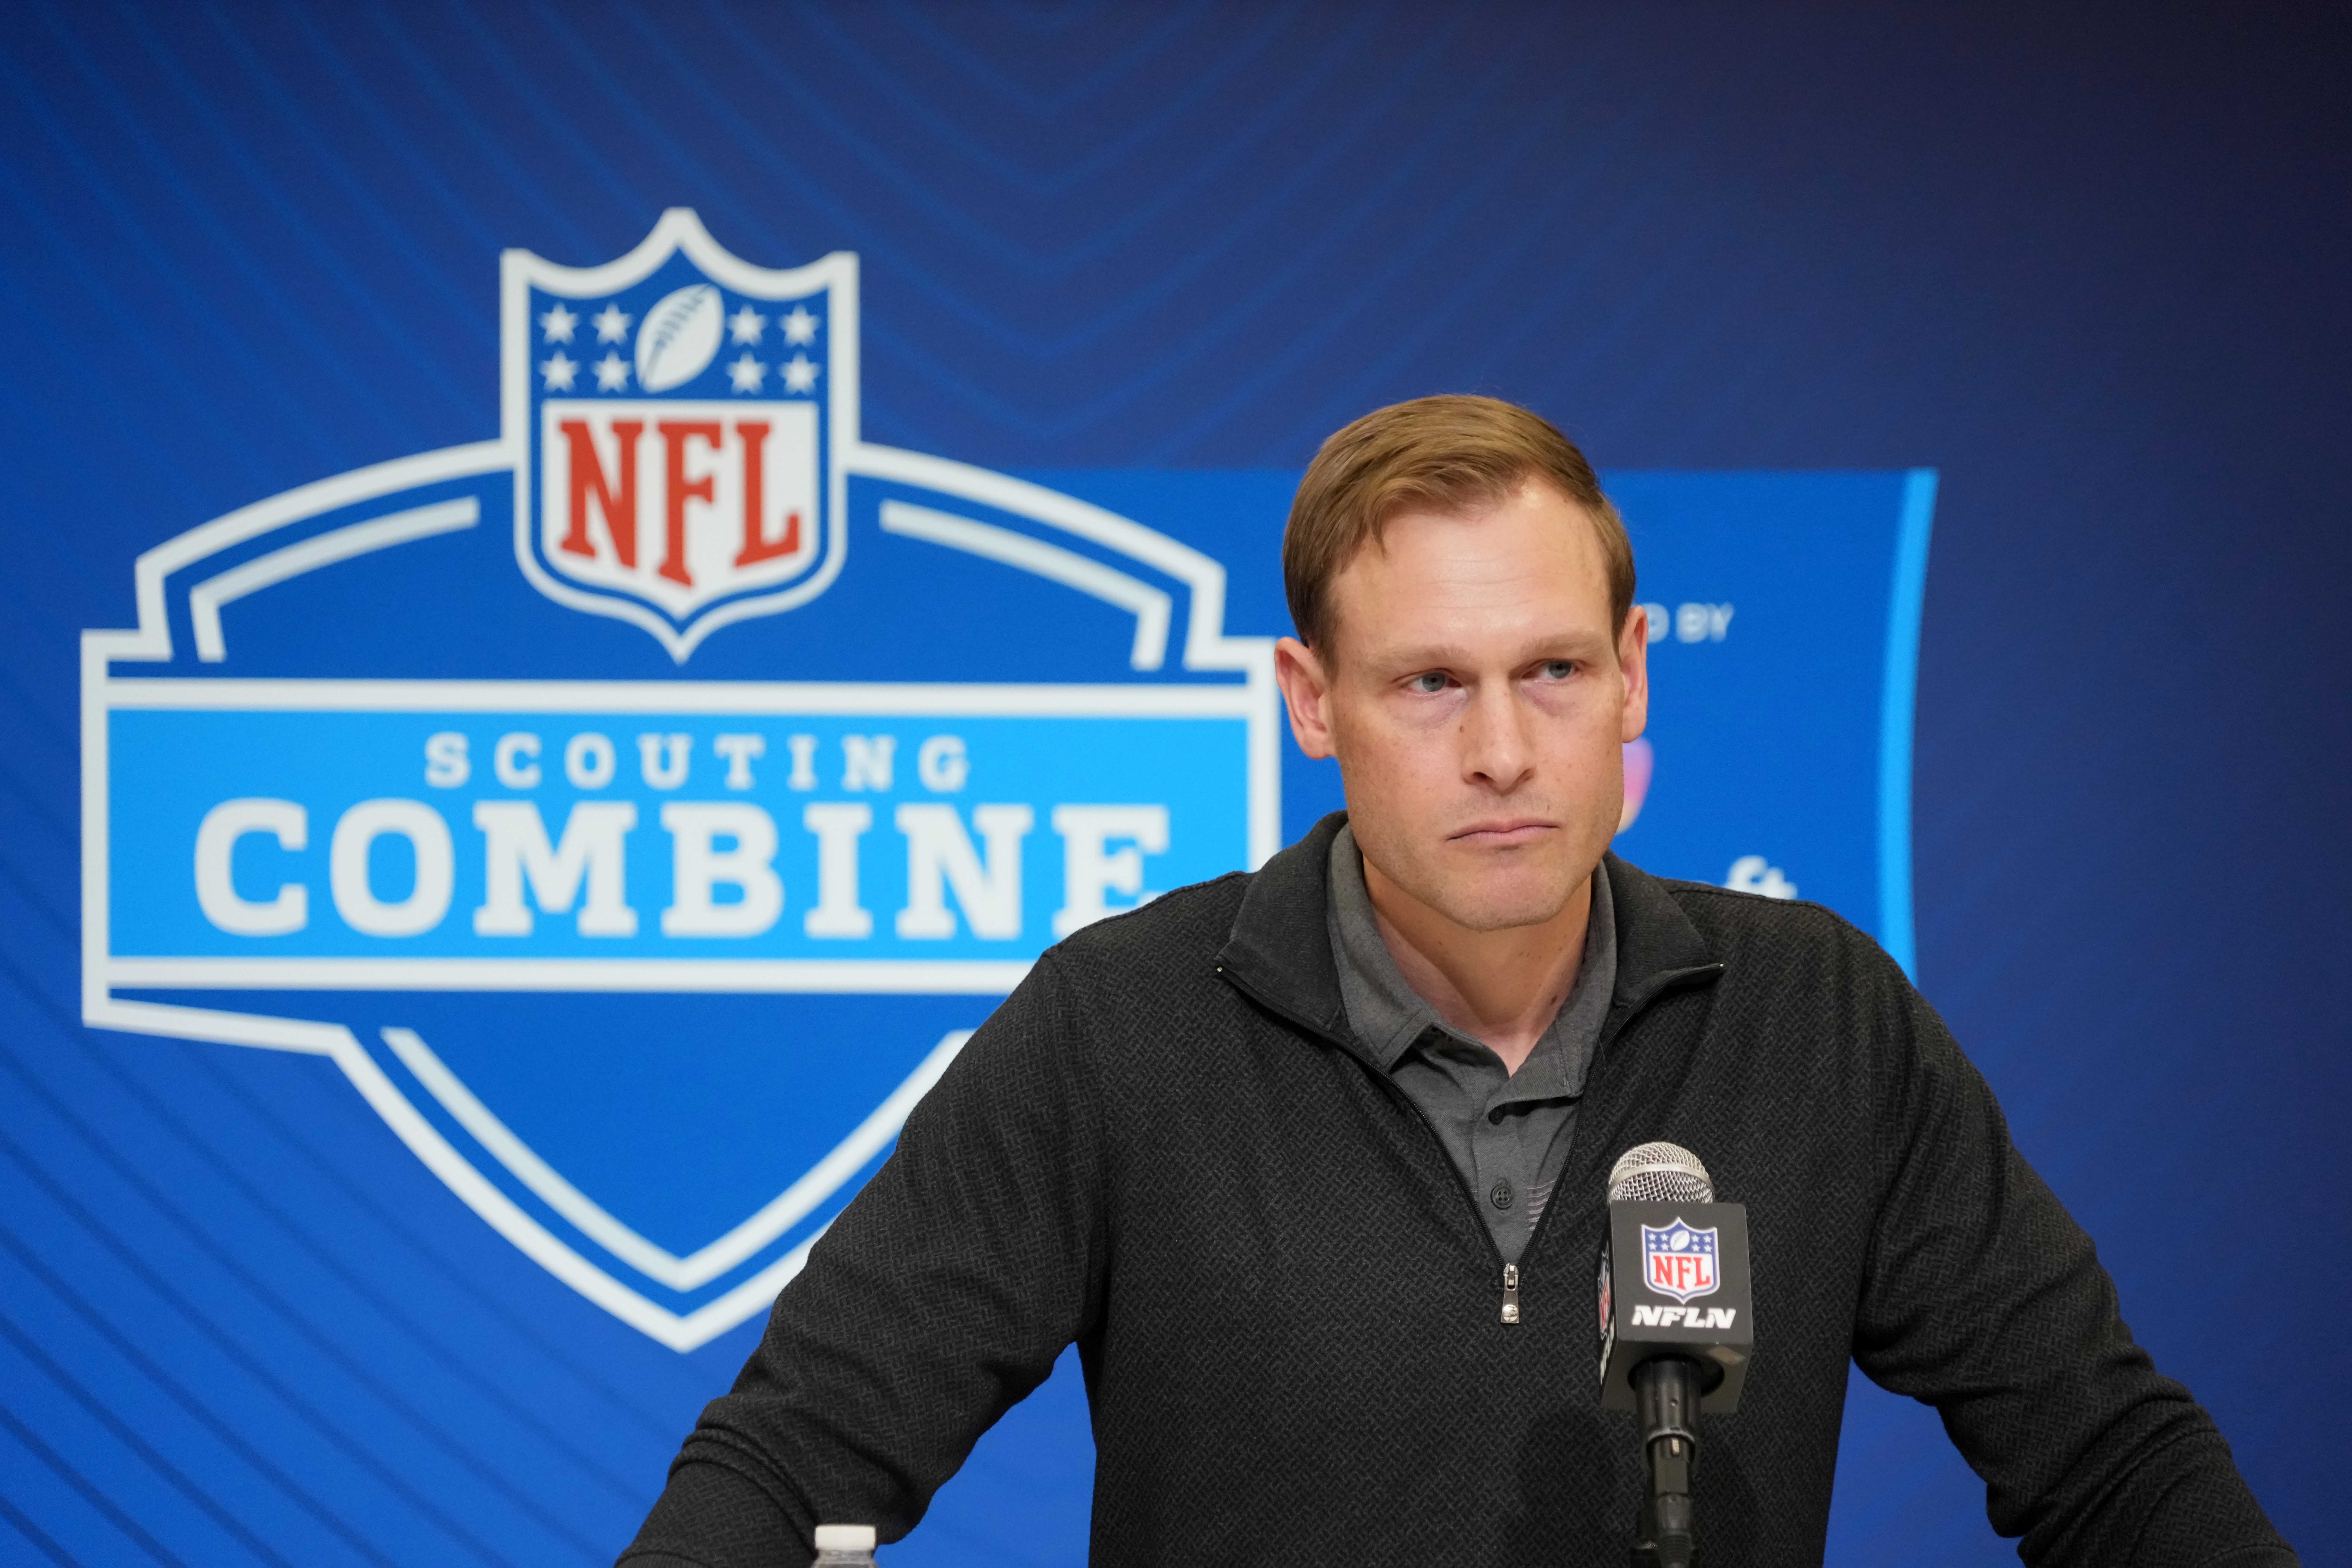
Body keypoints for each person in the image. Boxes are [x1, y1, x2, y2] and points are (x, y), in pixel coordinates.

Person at [621, 396, 2294, 1567]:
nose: (1503, 750)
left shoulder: (1818, 1019)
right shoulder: (1122, 1026)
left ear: (1634, 677)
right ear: (1309, 699)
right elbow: (792, 1456)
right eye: (1430, 683)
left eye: (1553, 671)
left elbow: (2108, 1459)